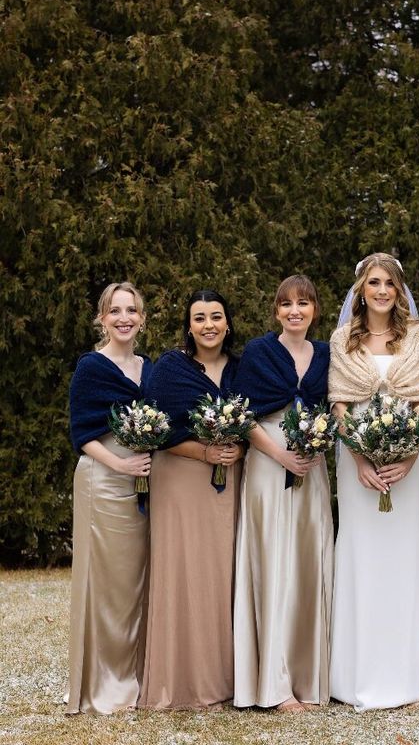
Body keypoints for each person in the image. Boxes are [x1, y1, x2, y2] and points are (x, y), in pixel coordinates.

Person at [328, 253, 419, 711]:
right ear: (361, 289)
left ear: (400, 291)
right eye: (374, 283)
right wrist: (362, 459)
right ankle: (357, 670)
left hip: (409, 462)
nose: (382, 291)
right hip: (356, 461)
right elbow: (340, 407)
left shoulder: (418, 335)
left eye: (390, 284)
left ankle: (411, 670)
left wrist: (406, 459)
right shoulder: (342, 337)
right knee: (363, 553)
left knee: (407, 553)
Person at [232, 275, 333, 713]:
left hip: (312, 466)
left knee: (309, 566)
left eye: (304, 303)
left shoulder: (326, 353)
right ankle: (274, 686)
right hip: (269, 464)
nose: (295, 311)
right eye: (287, 304)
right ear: (276, 310)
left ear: (315, 310)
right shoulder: (258, 351)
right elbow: (244, 416)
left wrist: (313, 449)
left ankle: (307, 677)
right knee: (273, 564)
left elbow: (336, 409)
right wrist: (281, 456)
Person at [138, 289, 244, 709]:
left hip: (228, 482)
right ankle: (180, 681)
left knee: (222, 575)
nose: (209, 325)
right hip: (180, 480)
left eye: (216, 316)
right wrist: (205, 452)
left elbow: (256, 419)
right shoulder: (170, 368)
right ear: (189, 325)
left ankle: (225, 679)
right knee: (183, 574)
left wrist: (238, 449)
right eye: (199, 318)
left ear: (228, 322)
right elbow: (159, 431)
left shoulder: (240, 370)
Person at [67, 282, 152, 714]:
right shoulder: (91, 368)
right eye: (115, 311)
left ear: (141, 317)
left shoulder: (150, 368)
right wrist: (121, 466)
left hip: (143, 487)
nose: (124, 318)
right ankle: (102, 685)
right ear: (102, 319)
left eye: (131, 310)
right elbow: (82, 434)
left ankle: (134, 677)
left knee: (135, 585)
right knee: (103, 584)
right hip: (103, 481)